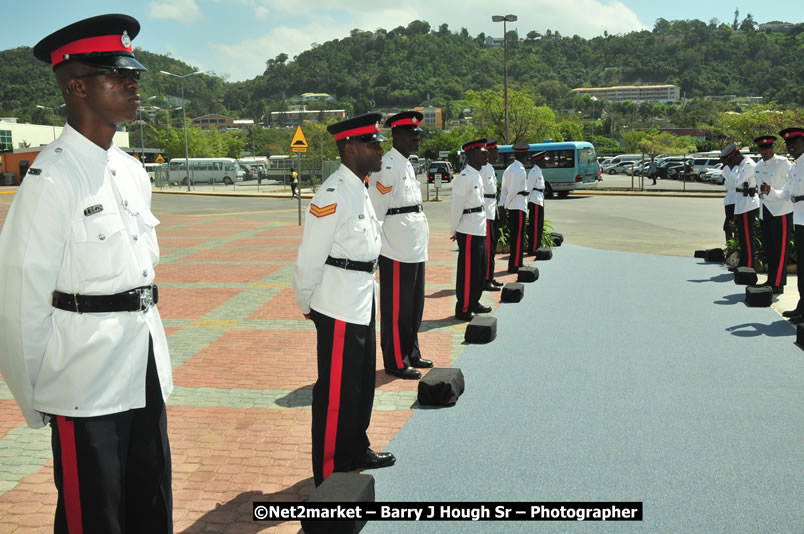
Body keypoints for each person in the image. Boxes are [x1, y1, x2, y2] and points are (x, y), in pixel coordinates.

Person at [0, 15, 173, 532]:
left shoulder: (131, 169)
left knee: (151, 503)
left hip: (142, 363)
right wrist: (36, 397)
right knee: (94, 516)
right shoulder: (51, 177)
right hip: (84, 378)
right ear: (75, 86)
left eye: (133, 73)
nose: (132, 83)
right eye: (116, 74)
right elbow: (20, 297)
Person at [293, 113, 395, 486]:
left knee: (360, 383)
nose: (380, 148)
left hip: (361, 298)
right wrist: (306, 303)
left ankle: (355, 448)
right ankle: (329, 471)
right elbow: (309, 258)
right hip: (336, 304)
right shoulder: (332, 193)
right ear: (351, 148)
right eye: (373, 143)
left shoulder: (361, 188)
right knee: (336, 391)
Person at [368, 111, 432, 380]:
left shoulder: (406, 164)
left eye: (418, 133)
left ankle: (411, 351)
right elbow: (376, 213)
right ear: (396, 136)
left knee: (414, 306)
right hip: (395, 249)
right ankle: (395, 359)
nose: (417, 138)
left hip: (414, 247)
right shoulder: (388, 167)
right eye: (411, 134)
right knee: (396, 309)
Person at [760, 127, 804, 320]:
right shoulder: (795, 166)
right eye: (788, 144)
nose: (790, 147)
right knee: (802, 265)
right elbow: (786, 194)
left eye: (794, 143)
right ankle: (802, 305)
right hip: (799, 217)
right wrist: (771, 191)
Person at [451, 139, 489, 321]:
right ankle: (463, 307)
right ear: (472, 155)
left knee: (479, 269)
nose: (486, 155)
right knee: (468, 271)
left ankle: (474, 301)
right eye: (483, 152)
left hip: (479, 227)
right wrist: (454, 229)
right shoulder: (464, 177)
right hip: (468, 228)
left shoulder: (477, 175)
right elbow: (456, 206)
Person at [754, 135, 792, 293]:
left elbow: (789, 187)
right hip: (765, 210)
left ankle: (778, 284)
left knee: (780, 249)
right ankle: (771, 280)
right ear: (759, 150)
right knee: (769, 249)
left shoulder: (783, 163)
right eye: (763, 149)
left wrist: (772, 192)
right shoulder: (758, 166)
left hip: (781, 210)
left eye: (769, 148)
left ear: (774, 148)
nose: (766, 151)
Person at [723, 144, 760, 269]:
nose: (731, 163)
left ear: (737, 156)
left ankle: (749, 265)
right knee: (742, 237)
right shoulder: (741, 165)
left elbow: (736, 182)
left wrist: (732, 168)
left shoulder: (749, 165)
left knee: (748, 236)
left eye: (731, 160)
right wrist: (733, 168)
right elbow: (732, 183)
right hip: (741, 203)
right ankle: (744, 263)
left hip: (748, 204)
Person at [499, 144, 530, 272]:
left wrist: (503, 204)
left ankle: (515, 263)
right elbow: (512, 191)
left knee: (515, 236)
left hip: (514, 205)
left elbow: (504, 190)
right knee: (518, 236)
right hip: (518, 205)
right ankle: (516, 264)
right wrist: (505, 205)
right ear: (523, 155)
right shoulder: (519, 170)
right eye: (526, 154)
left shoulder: (510, 168)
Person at [481, 139, 503, 292]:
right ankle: (485, 279)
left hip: (492, 208)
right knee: (488, 248)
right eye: (495, 151)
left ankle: (490, 276)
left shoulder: (490, 168)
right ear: (488, 152)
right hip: (486, 212)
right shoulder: (482, 169)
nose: (497, 154)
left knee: (493, 246)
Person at [526, 151, 547, 255]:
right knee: (534, 226)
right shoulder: (533, 172)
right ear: (538, 160)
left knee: (539, 225)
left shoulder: (539, 171)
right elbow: (529, 188)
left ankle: (537, 246)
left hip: (539, 200)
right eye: (543, 160)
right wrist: (527, 203)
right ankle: (533, 249)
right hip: (534, 201)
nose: (545, 162)